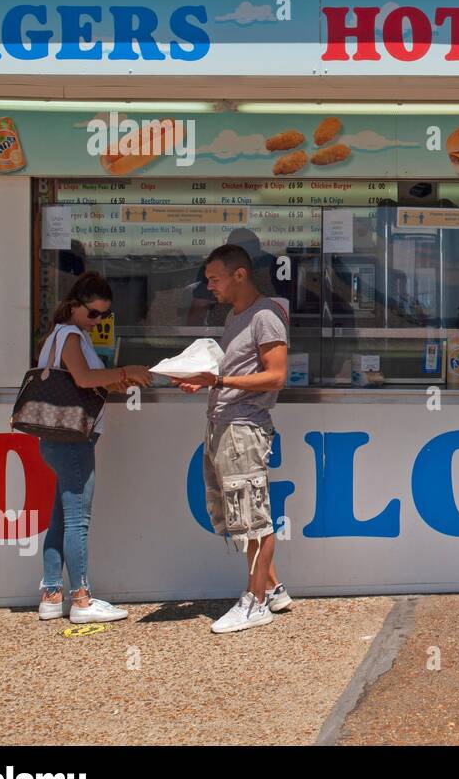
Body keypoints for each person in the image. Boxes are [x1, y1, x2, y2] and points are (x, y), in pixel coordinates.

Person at [173, 244, 292, 633]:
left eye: (214, 278)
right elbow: (238, 372)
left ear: (240, 275)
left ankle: (255, 603)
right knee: (239, 516)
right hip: (223, 425)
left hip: (244, 428)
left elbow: (276, 376)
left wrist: (219, 380)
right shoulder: (236, 315)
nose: (209, 286)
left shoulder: (265, 316)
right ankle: (272, 589)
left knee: (254, 519)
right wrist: (206, 381)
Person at [36, 273, 153, 623]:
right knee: (76, 521)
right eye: (93, 313)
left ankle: (51, 596)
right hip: (73, 440)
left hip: (56, 438)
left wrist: (116, 381)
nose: (98, 321)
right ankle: (82, 600)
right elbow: (84, 378)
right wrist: (125, 371)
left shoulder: (59, 335)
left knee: (60, 519)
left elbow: (83, 382)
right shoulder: (71, 335)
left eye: (104, 315)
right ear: (74, 306)